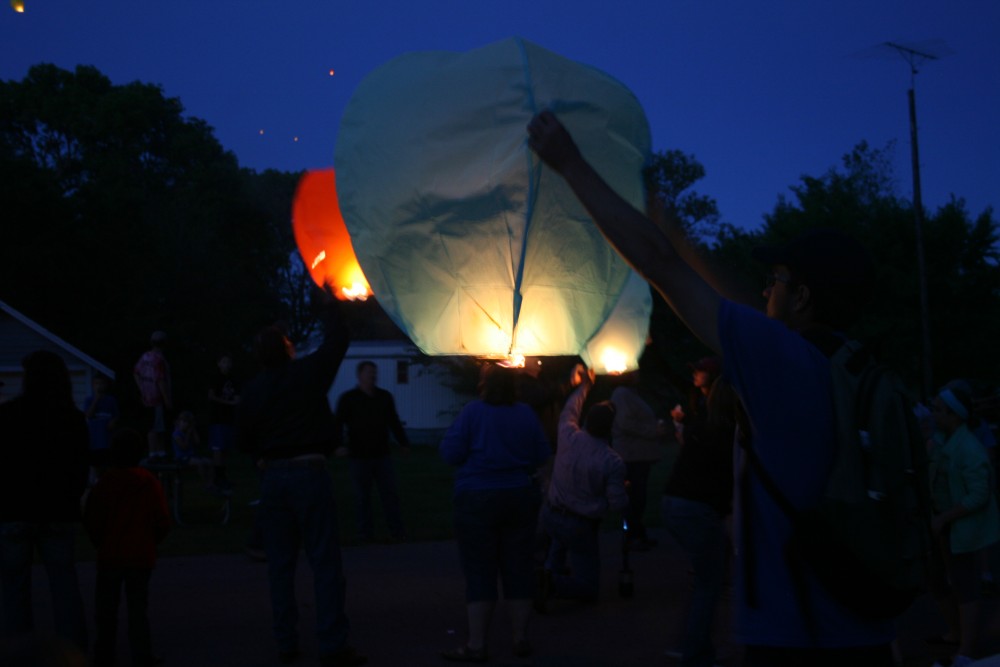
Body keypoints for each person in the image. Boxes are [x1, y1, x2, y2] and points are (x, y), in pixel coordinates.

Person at [528, 110, 895, 665]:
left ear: (800, 298)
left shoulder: (782, 363)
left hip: (796, 632)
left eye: (776, 281)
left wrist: (570, 164)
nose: (765, 291)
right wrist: (674, 229)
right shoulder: (859, 370)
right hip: (864, 621)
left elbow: (659, 265)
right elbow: (711, 288)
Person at [236, 287, 366, 667]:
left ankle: (286, 643)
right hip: (310, 473)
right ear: (288, 349)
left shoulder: (253, 390)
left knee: (280, 566)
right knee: (324, 562)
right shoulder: (308, 373)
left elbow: (243, 440)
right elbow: (338, 340)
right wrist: (330, 306)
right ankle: (332, 644)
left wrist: (261, 457)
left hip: (274, 480)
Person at [439, 363, 551, 663]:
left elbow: (449, 453)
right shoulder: (526, 414)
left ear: (484, 385)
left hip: (476, 499)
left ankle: (477, 644)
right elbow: (542, 454)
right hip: (518, 496)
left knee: (479, 571)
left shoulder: (472, 413)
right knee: (518, 567)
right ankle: (520, 638)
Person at [0, 350, 90, 652]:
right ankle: (73, 652)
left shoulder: (9, 414)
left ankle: (17, 653)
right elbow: (80, 468)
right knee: (64, 587)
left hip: (14, 512)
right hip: (58, 512)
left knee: (14, 590)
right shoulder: (73, 419)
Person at [662, 357, 739, 667]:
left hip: (674, 503)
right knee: (710, 581)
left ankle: (690, 643)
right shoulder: (727, 432)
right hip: (696, 509)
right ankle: (694, 651)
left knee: (704, 577)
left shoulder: (701, 424)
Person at [539, 365, 628, 608]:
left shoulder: (568, 435)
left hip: (551, 513)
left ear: (586, 420)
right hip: (579, 524)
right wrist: (623, 490)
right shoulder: (612, 461)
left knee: (557, 546)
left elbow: (570, 409)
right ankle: (552, 585)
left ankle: (545, 578)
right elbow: (618, 503)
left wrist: (585, 385)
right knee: (589, 588)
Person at [926, 383, 1000, 667]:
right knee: (943, 580)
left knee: (965, 584)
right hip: (946, 528)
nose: (932, 413)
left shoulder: (969, 449)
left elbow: (979, 494)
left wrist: (945, 517)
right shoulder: (943, 440)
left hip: (962, 531)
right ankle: (957, 634)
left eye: (938, 410)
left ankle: (966, 650)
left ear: (954, 415)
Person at [85, 428, 170, 667]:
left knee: (106, 610)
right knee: (137, 609)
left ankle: (104, 654)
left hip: (110, 555)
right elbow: (162, 519)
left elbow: (92, 518)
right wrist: (150, 542)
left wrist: (99, 542)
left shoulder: (105, 484)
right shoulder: (147, 482)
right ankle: (141, 654)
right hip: (140, 556)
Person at [332, 361, 410, 542]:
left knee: (390, 495)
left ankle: (397, 531)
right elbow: (337, 424)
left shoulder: (384, 397)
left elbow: (393, 421)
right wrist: (337, 445)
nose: (373, 377)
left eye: (374, 373)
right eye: (369, 373)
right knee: (362, 497)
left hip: (382, 454)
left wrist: (403, 443)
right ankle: (364, 534)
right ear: (359, 376)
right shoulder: (349, 399)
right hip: (359, 456)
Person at [610, 369, 666, 551]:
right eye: (635, 372)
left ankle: (636, 533)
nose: (638, 374)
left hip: (638, 455)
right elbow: (625, 423)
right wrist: (652, 430)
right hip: (632, 455)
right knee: (635, 497)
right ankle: (633, 535)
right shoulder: (622, 394)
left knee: (638, 497)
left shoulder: (629, 394)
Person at [133, 331, 172, 460]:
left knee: (153, 425)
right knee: (157, 426)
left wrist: (142, 389)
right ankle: (155, 453)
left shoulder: (145, 357)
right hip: (157, 398)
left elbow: (136, 373)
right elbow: (160, 380)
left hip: (146, 398)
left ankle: (158, 452)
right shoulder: (159, 359)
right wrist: (167, 399)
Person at [207, 352, 240, 492]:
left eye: (228, 362)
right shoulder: (216, 378)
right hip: (218, 417)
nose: (226, 364)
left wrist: (236, 403)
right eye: (224, 361)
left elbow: (238, 397)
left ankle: (223, 476)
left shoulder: (233, 379)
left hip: (229, 418)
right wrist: (228, 402)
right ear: (219, 363)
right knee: (218, 448)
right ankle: (217, 477)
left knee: (225, 448)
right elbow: (211, 396)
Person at [82, 373, 120, 483]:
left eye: (101, 383)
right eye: (96, 383)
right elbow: (88, 415)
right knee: (95, 465)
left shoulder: (111, 400)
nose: (99, 386)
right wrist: (96, 400)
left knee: (108, 465)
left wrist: (113, 422)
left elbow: (116, 416)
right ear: (93, 385)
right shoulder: (89, 400)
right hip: (94, 441)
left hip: (107, 440)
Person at [171, 410, 216, 489]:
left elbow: (197, 442)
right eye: (183, 421)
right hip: (181, 458)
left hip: (192, 456)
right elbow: (184, 447)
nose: (185, 424)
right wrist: (188, 435)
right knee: (200, 463)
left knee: (210, 462)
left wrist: (193, 431)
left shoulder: (189, 432)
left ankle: (210, 483)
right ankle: (205, 482)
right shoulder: (176, 434)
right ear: (179, 422)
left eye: (187, 422)